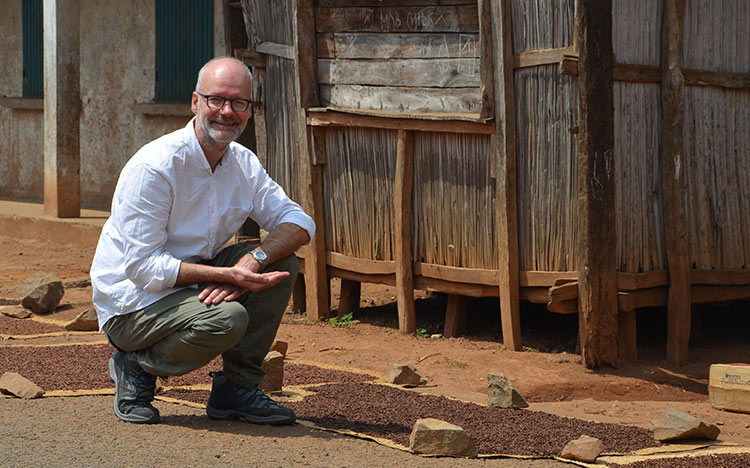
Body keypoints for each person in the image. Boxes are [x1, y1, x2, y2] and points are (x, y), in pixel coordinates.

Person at [90, 57, 314, 425]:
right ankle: (136, 366)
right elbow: (142, 268)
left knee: (280, 261)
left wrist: (255, 258)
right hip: (133, 303)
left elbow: (299, 222)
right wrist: (229, 277)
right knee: (227, 319)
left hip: (192, 283)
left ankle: (236, 390)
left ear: (249, 110)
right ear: (195, 102)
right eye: (215, 100)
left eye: (238, 103)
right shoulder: (155, 167)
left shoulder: (243, 163)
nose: (226, 111)